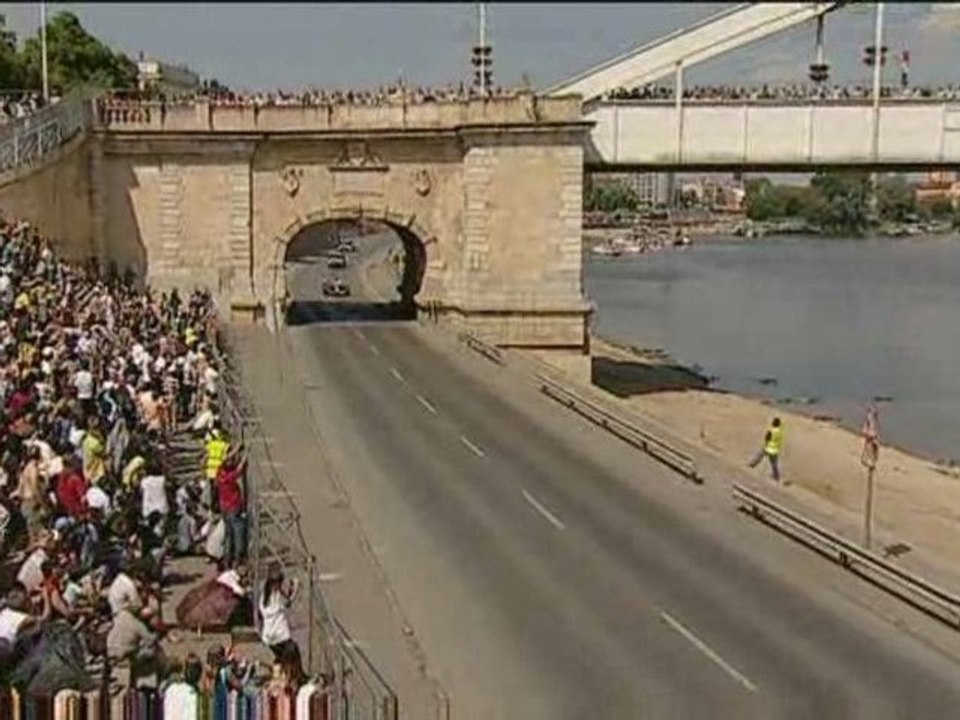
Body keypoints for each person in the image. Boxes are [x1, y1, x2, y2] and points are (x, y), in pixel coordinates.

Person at [258, 562, 305, 686]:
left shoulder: (264, 596)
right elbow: (288, 602)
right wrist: (295, 588)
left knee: (285, 656)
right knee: (292, 653)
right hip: (279, 635)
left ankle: (291, 676)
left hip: (269, 636)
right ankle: (294, 678)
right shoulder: (276, 596)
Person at [748, 417, 784, 482]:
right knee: (774, 464)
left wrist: (766, 443)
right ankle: (776, 476)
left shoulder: (771, 431)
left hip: (769, 448)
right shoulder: (780, 432)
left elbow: (767, 438)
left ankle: (752, 464)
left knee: (759, 455)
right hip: (775, 450)